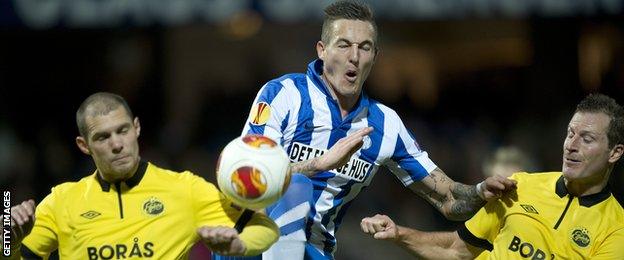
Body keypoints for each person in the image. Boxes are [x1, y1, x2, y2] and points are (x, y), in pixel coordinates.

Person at [240, 1, 516, 259]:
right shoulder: (284, 95)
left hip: (314, 251)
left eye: (365, 47)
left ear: (375, 55)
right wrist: (318, 164)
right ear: (322, 50)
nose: (354, 57)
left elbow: (449, 198)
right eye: (344, 45)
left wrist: (480, 191)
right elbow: (245, 176)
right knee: (296, 186)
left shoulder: (385, 124)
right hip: (249, 242)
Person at [6, 92, 279, 259]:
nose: (116, 144)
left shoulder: (185, 189)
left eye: (122, 130)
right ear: (83, 145)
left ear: (136, 128)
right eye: (102, 137)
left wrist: (239, 244)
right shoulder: (61, 201)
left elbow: (266, 229)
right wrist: (8, 240)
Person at [360, 93, 624, 259]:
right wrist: (399, 234)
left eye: (587, 139)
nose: (571, 145)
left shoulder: (616, 229)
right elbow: (455, 249)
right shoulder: (521, 185)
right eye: (570, 133)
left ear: (615, 153)